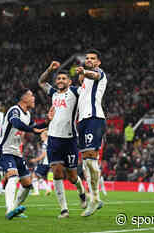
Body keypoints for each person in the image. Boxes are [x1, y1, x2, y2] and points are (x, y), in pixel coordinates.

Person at [38, 61, 86, 218]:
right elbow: (41, 82)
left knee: (72, 177)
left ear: (69, 81)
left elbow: (87, 87)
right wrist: (49, 69)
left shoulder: (75, 91)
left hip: (70, 140)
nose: (60, 81)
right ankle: (64, 209)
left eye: (63, 79)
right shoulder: (53, 93)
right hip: (53, 139)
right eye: (58, 79)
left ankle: (82, 192)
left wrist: (84, 73)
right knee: (57, 172)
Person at [0, 88, 54, 220]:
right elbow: (16, 123)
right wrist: (32, 129)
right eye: (31, 95)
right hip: (5, 150)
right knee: (12, 177)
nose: (34, 98)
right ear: (23, 98)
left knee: (28, 184)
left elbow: (36, 128)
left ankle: (15, 208)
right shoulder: (14, 110)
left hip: (17, 152)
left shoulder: (27, 114)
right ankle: (9, 209)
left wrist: (46, 121)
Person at [75, 49, 107, 217]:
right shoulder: (84, 85)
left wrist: (84, 71)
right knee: (87, 162)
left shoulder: (99, 73)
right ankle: (95, 198)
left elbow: (94, 75)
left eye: (93, 58)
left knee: (89, 157)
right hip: (83, 122)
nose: (89, 60)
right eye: (87, 58)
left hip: (94, 118)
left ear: (98, 62)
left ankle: (95, 198)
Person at [30, 130, 52, 196]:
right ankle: (47, 189)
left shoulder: (45, 143)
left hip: (44, 162)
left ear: (45, 135)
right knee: (39, 177)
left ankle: (36, 192)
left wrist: (36, 159)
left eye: (41, 135)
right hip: (49, 162)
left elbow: (44, 154)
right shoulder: (50, 142)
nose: (40, 136)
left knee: (34, 175)